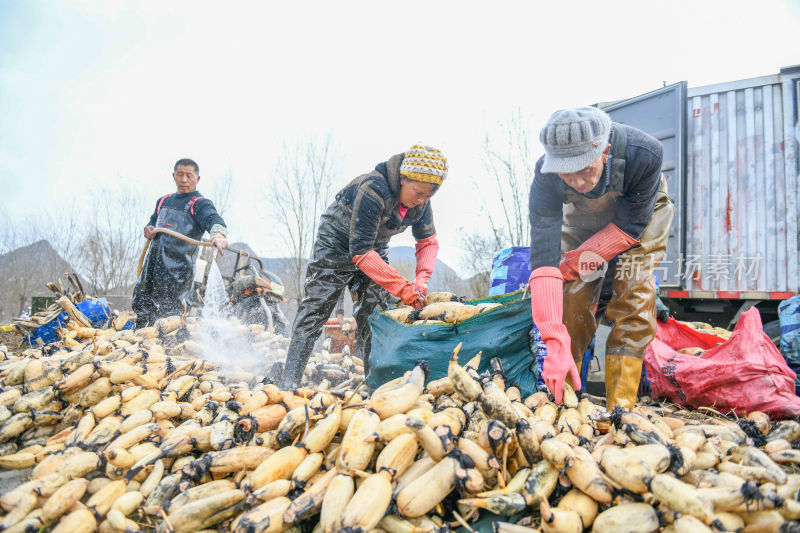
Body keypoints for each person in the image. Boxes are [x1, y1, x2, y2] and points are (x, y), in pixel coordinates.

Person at [528, 107, 674, 409]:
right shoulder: (546, 179)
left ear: (604, 151)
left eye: (584, 169)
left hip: (638, 216)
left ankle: (621, 408)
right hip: (583, 215)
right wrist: (552, 335)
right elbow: (544, 257)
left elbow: (627, 229)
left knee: (634, 294)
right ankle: (565, 401)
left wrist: (575, 262)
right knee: (572, 294)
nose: (577, 181)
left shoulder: (644, 153)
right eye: (567, 173)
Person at [279, 144, 446, 389]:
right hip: (336, 241)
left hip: (374, 246)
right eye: (418, 192)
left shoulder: (421, 204)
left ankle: (374, 383)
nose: (421, 200)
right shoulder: (374, 189)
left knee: (375, 311)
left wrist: (421, 279)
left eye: (428, 196)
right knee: (317, 307)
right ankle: (288, 382)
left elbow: (428, 242)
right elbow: (360, 254)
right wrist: (403, 288)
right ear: (403, 180)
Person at [132, 158, 229, 328]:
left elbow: (213, 218)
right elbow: (152, 223)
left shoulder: (199, 204)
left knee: (172, 320)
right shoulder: (163, 201)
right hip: (152, 270)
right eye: (180, 175)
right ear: (173, 176)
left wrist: (218, 234)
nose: (184, 180)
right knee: (143, 312)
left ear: (197, 179)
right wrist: (148, 229)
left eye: (189, 176)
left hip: (178, 275)